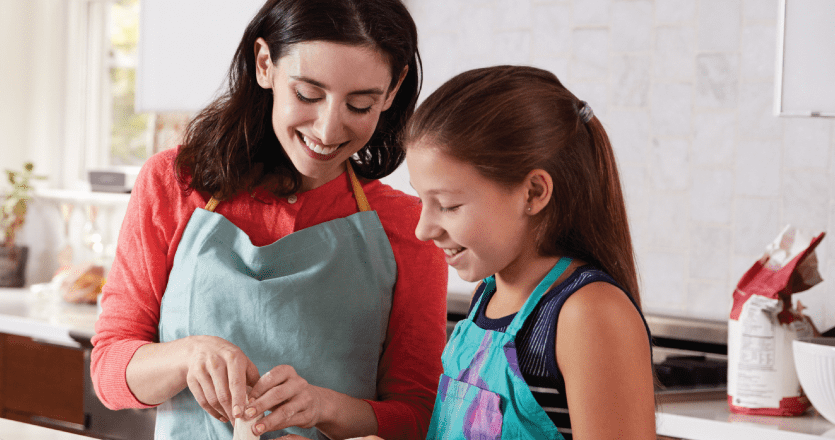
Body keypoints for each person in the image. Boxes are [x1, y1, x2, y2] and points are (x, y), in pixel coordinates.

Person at [88, 0, 446, 439]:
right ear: (264, 65)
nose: (329, 130)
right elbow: (108, 373)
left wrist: (324, 406)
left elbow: (419, 417)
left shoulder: (411, 226)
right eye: (308, 94)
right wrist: (188, 355)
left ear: (392, 92)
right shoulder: (173, 183)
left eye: (359, 105)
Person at [403, 65, 655, 439]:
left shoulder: (588, 315)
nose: (423, 229)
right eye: (422, 199)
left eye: (449, 205)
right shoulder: (484, 300)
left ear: (533, 193)